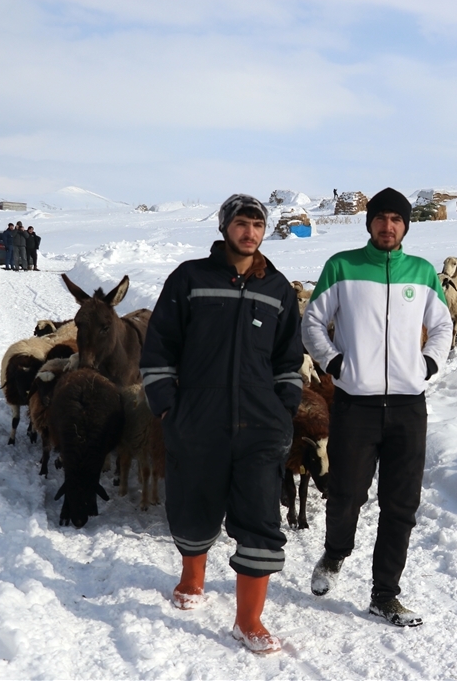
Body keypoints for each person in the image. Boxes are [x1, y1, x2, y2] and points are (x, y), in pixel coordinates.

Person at [140, 194, 303, 654]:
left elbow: (290, 357)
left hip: (260, 425)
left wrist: (283, 408)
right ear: (225, 227)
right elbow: (159, 349)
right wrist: (169, 408)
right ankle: (193, 577)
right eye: (242, 223)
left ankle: (248, 619)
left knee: (259, 518)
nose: (250, 232)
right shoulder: (190, 278)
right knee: (194, 506)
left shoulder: (277, 288)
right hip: (198, 420)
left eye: (257, 224)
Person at [301, 187, 452, 627]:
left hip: (408, 404)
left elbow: (442, 324)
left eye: (396, 220)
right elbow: (313, 320)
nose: (388, 226)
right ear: (369, 223)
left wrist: (428, 363)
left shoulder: (422, 273)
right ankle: (335, 554)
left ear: (406, 226)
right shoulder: (342, 266)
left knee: (401, 502)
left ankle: (385, 594)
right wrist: (333, 362)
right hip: (356, 402)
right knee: (347, 492)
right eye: (381, 218)